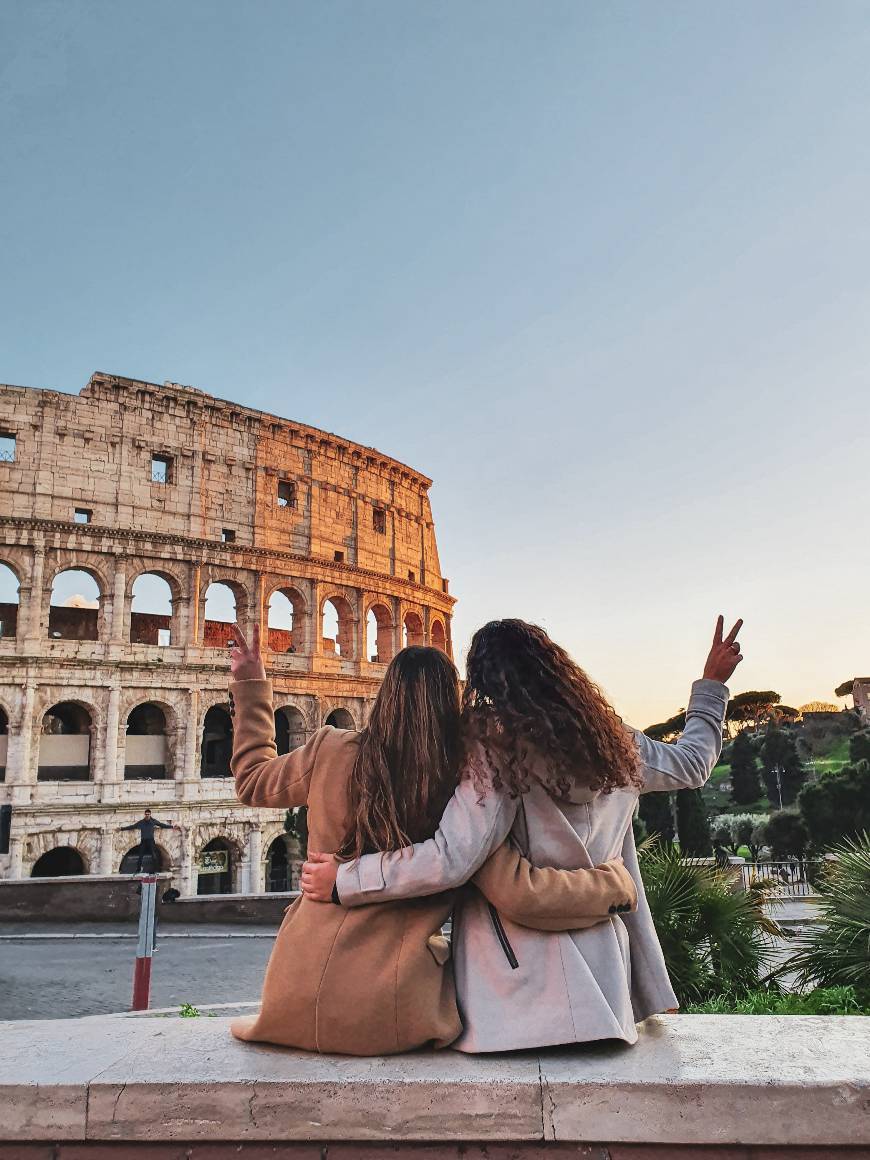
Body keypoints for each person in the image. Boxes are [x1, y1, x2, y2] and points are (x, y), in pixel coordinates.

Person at [302, 615, 742, 1052]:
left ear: (484, 684)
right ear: (558, 670)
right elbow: (693, 763)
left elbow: (450, 858)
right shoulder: (616, 743)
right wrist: (711, 684)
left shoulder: (497, 753)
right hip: (604, 987)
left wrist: (346, 879)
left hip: (513, 998)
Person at [224, 623, 639, 1055]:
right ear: (452, 702)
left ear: (385, 696)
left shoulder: (328, 751)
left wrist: (251, 685)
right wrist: (616, 884)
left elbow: (252, 780)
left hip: (295, 990)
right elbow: (513, 889)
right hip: (398, 1007)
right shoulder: (464, 782)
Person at [120, 809, 178, 874]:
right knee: (140, 855)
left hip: (151, 840)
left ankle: (154, 870)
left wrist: (172, 826)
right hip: (143, 841)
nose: (147, 815)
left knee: (153, 855)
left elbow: (162, 825)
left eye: (148, 814)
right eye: (146, 814)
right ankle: (138, 869)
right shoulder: (141, 822)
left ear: (150, 815)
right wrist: (122, 828)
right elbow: (132, 826)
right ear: (145, 815)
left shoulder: (153, 821)